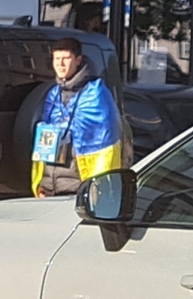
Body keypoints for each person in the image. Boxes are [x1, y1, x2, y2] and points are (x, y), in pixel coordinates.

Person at [29, 39, 127, 199]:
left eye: (66, 58)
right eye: (56, 59)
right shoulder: (53, 94)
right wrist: (41, 183)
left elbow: (104, 144)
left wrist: (92, 192)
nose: (60, 64)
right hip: (48, 190)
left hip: (78, 189)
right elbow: (44, 140)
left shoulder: (96, 94)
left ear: (78, 60)